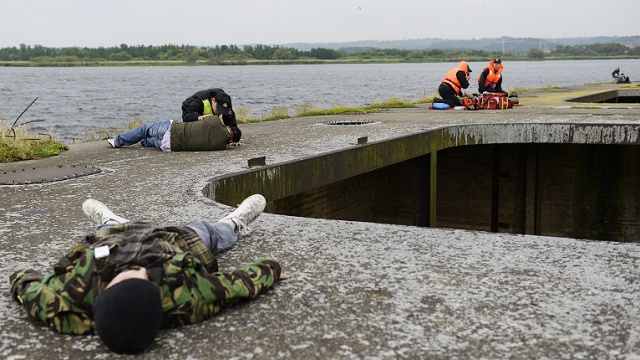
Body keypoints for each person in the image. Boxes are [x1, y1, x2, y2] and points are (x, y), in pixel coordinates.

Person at [9, 194, 288, 354]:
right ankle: (234, 221)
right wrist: (272, 270)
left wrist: (21, 276)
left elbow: (26, 285)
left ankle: (109, 220)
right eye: (144, 280)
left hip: (108, 247)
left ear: (101, 295)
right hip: (167, 245)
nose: (138, 270)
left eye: (126, 279)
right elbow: (235, 285)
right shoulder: (185, 298)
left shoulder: (61, 302)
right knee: (208, 233)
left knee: (109, 231)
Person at [107, 115, 243, 151]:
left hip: (170, 129)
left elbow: (210, 118)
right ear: (232, 141)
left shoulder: (215, 122)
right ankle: (145, 142)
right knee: (152, 141)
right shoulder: (220, 146)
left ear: (229, 128)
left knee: (144, 129)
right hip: (168, 146)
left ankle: (117, 141)